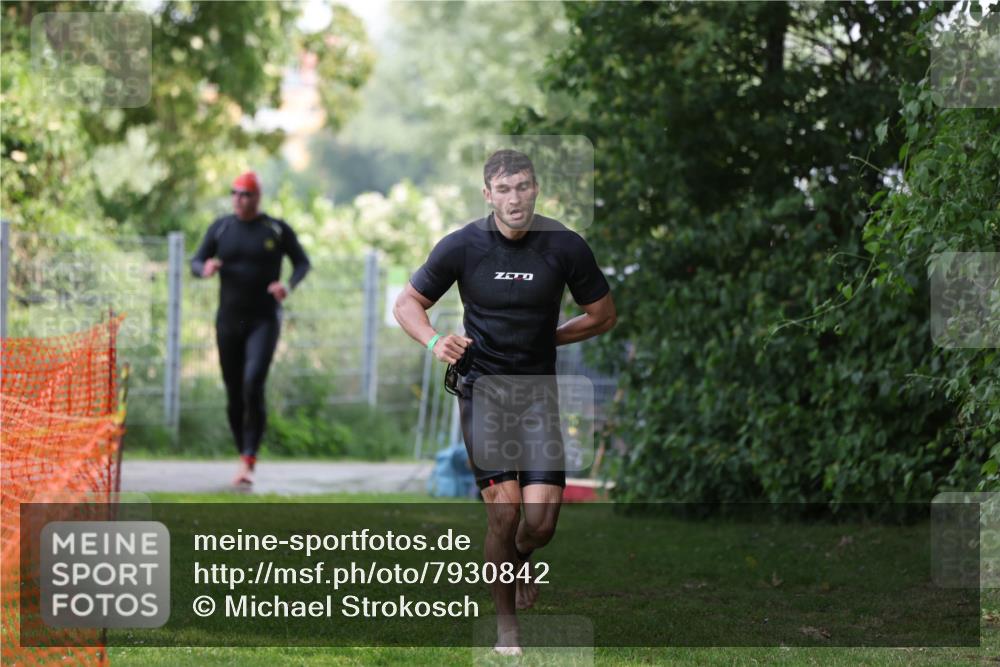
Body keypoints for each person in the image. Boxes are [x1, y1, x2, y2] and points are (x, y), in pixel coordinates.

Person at [393, 149, 617, 655]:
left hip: (538, 395)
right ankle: (507, 628)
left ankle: (519, 559)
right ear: (487, 194)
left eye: (523, 187)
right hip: (483, 391)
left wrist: (549, 339)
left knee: (539, 524)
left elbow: (603, 315)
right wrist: (433, 341)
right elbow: (407, 303)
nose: (514, 198)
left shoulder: (565, 246)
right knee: (504, 512)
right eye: (504, 189)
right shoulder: (463, 246)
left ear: (535, 188)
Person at [190, 171, 311, 487]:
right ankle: (241, 449)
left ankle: (248, 459)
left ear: (257, 198)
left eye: (246, 194)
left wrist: (287, 285)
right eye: (236, 193)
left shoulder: (275, 229)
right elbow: (196, 259)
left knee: (252, 382)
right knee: (233, 391)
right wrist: (204, 268)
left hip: (264, 319)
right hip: (229, 320)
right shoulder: (222, 228)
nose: (240, 200)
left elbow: (302, 263)